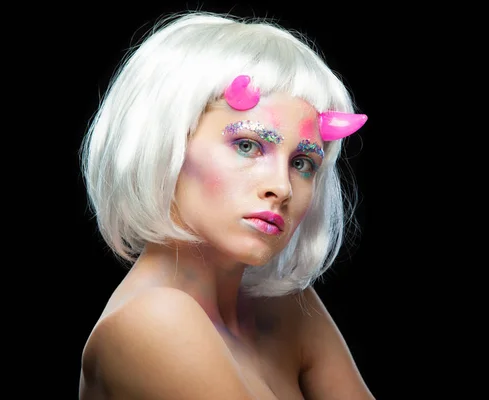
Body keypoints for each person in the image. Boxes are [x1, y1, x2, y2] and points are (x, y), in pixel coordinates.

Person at [78, 10, 375, 400]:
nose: (281, 187)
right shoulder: (152, 321)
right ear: (165, 146)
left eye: (302, 162)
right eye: (248, 145)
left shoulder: (286, 308)